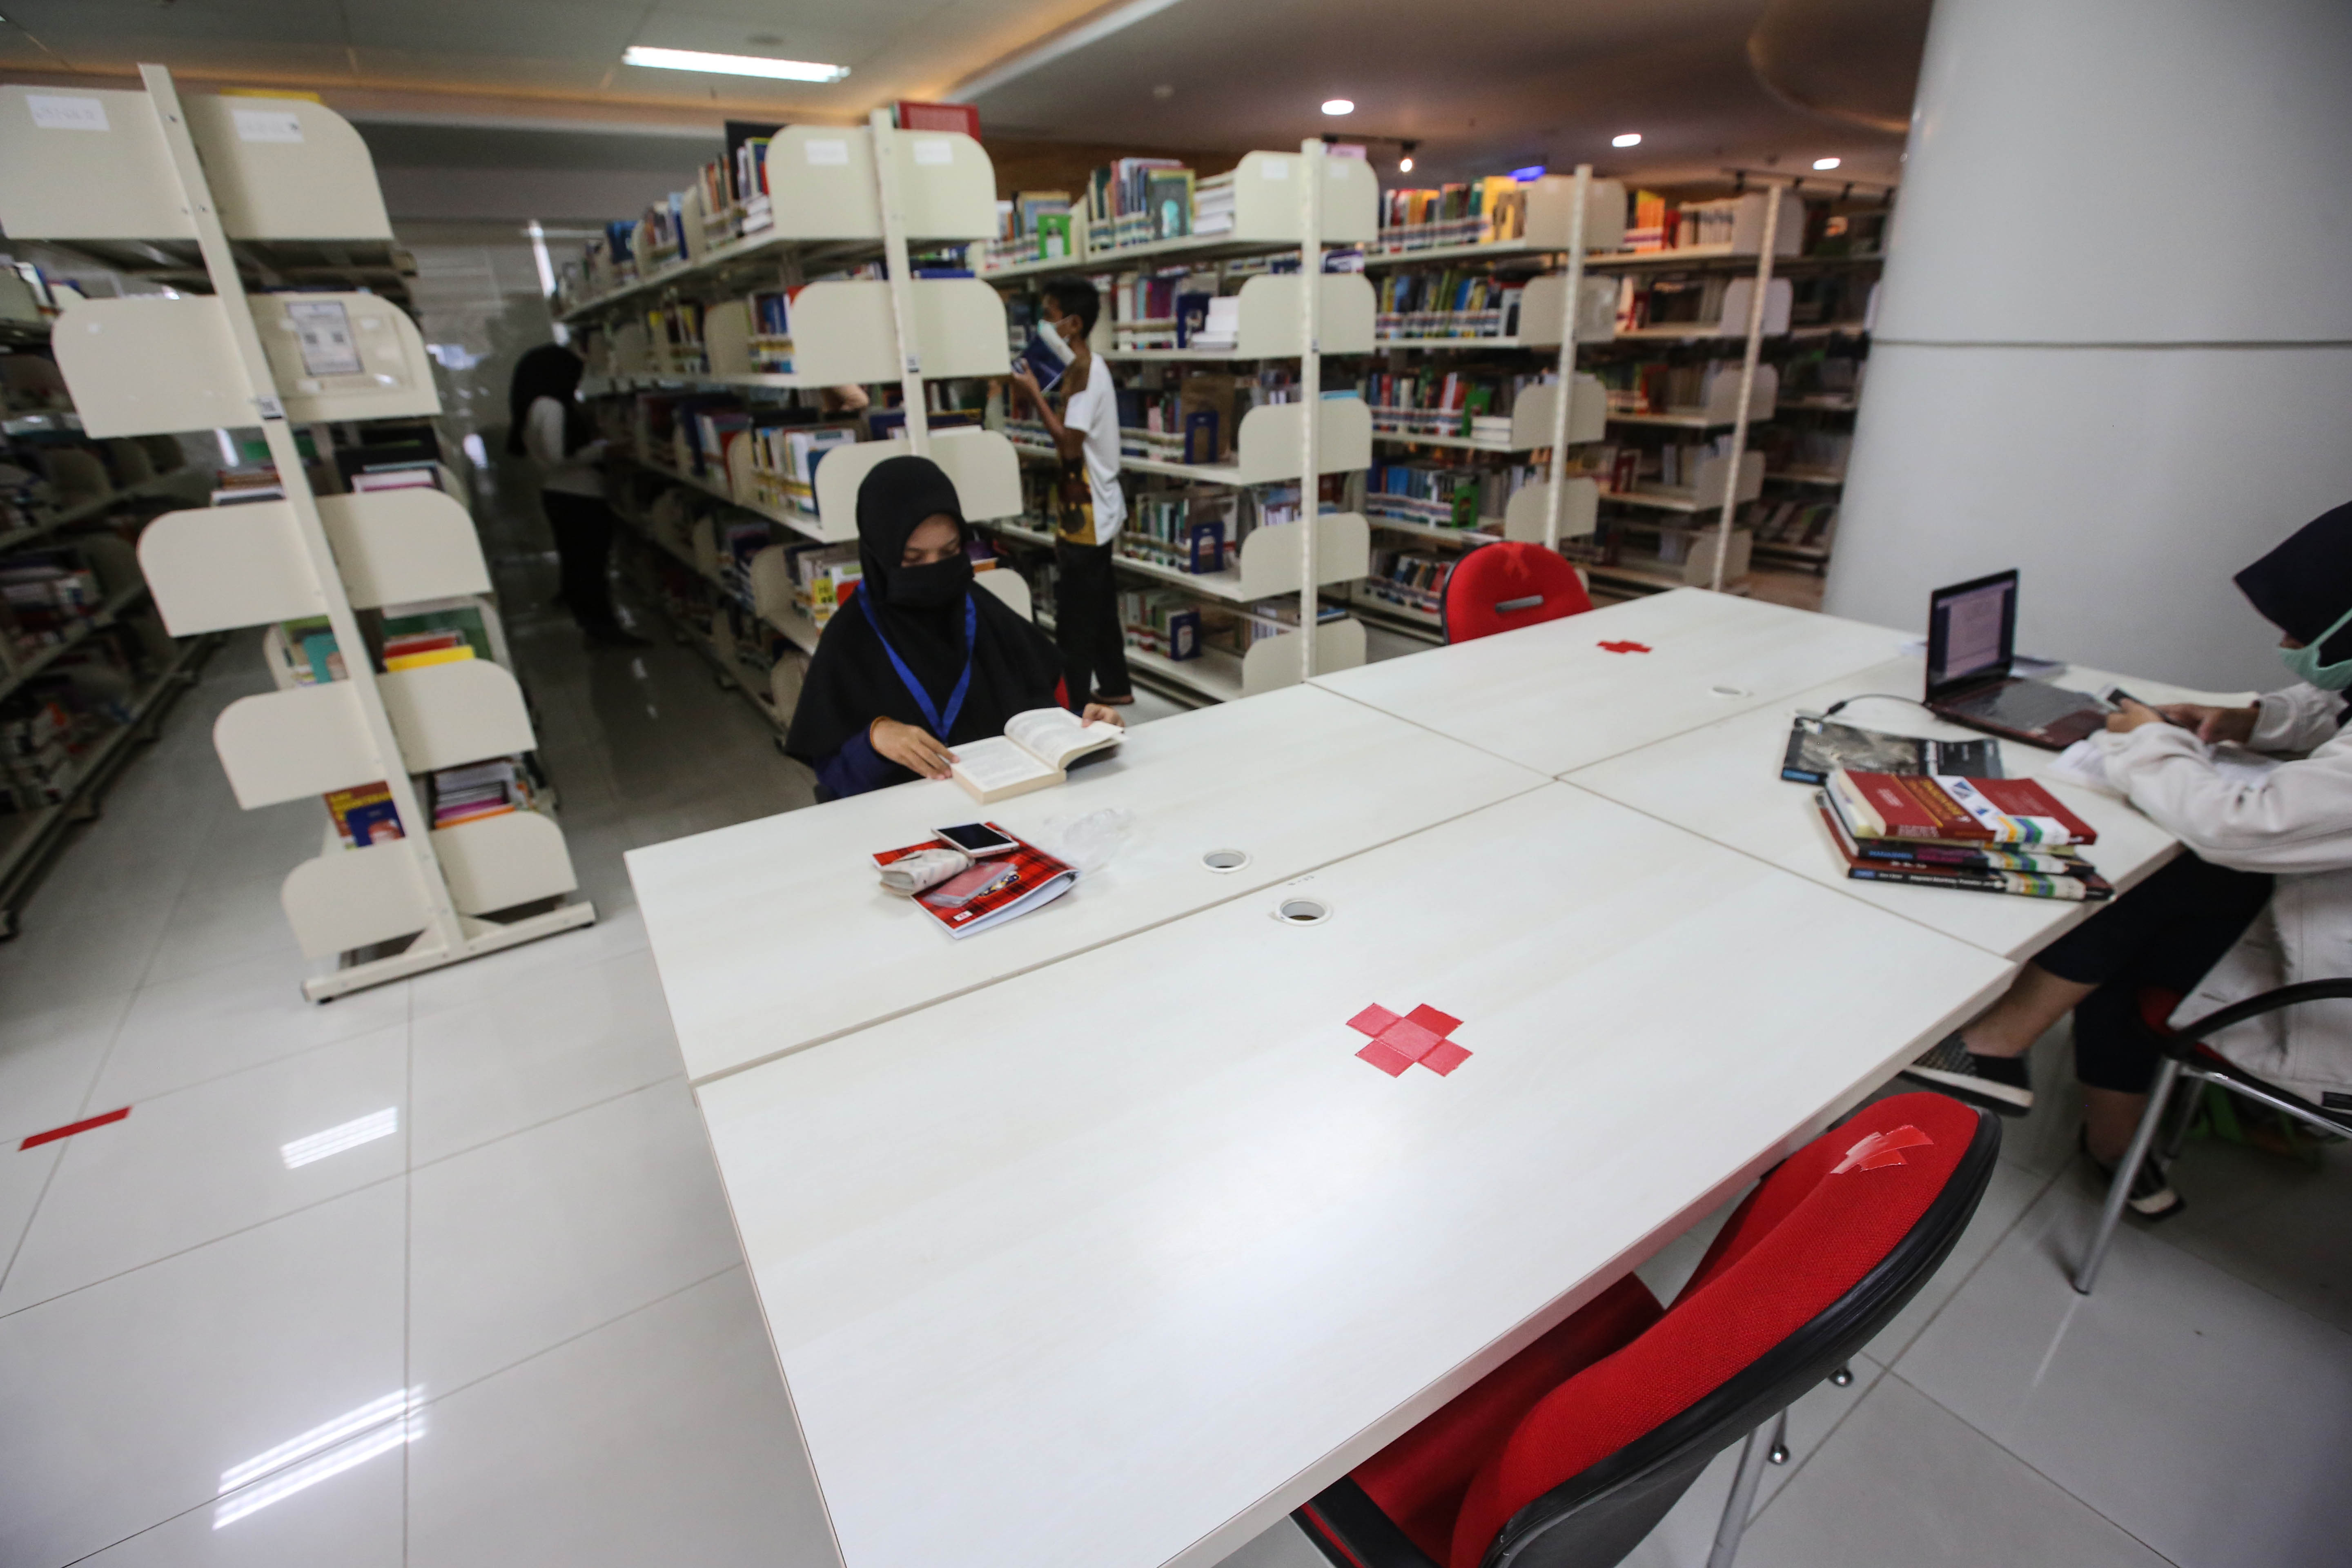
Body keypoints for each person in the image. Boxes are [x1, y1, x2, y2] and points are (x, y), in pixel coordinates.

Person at [1904, 501, 2352, 1217]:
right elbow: (2332, 706)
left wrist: (2149, 741)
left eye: (2305, 631)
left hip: (2330, 1001)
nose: (2289, 644)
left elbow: (2238, 826)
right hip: (2309, 920)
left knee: (2174, 874)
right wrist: (2251, 719)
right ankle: (2107, 1135)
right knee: (2171, 887)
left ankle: (2001, 1042)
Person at [786, 454, 1125, 800]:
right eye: (912, 560)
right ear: (879, 554)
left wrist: (1086, 726)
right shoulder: (849, 640)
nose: (933, 572)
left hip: (1012, 812)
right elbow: (836, 782)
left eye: (949, 553)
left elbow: (1040, 714)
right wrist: (874, 740)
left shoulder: (985, 614)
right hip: (907, 827)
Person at [1007, 278, 1135, 708]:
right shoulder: (1080, 367)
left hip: (1091, 512)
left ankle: (1074, 704)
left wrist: (1033, 397)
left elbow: (1069, 445)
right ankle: (1116, 684)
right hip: (1088, 506)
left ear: (1073, 324)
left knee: (1075, 618)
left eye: (1049, 315)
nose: (1043, 325)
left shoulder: (1086, 372)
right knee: (1097, 604)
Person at [506, 342, 644, 647]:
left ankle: (594, 625)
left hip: (559, 495)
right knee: (591, 567)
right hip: (578, 496)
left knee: (580, 563)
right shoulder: (552, 406)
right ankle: (603, 628)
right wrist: (605, 450)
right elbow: (559, 457)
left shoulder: (532, 404)